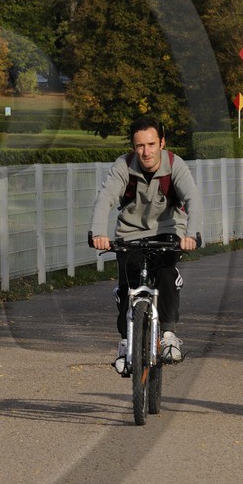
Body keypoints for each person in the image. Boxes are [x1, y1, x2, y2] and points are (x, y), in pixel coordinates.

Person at [89, 116, 201, 376]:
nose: (146, 152)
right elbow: (105, 198)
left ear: (162, 142)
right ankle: (126, 342)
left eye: (151, 144)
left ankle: (169, 334)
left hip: (167, 231)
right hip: (130, 234)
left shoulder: (175, 165)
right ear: (133, 146)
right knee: (128, 285)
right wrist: (98, 233)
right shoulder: (124, 166)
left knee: (165, 274)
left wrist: (192, 234)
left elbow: (192, 197)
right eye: (139, 146)